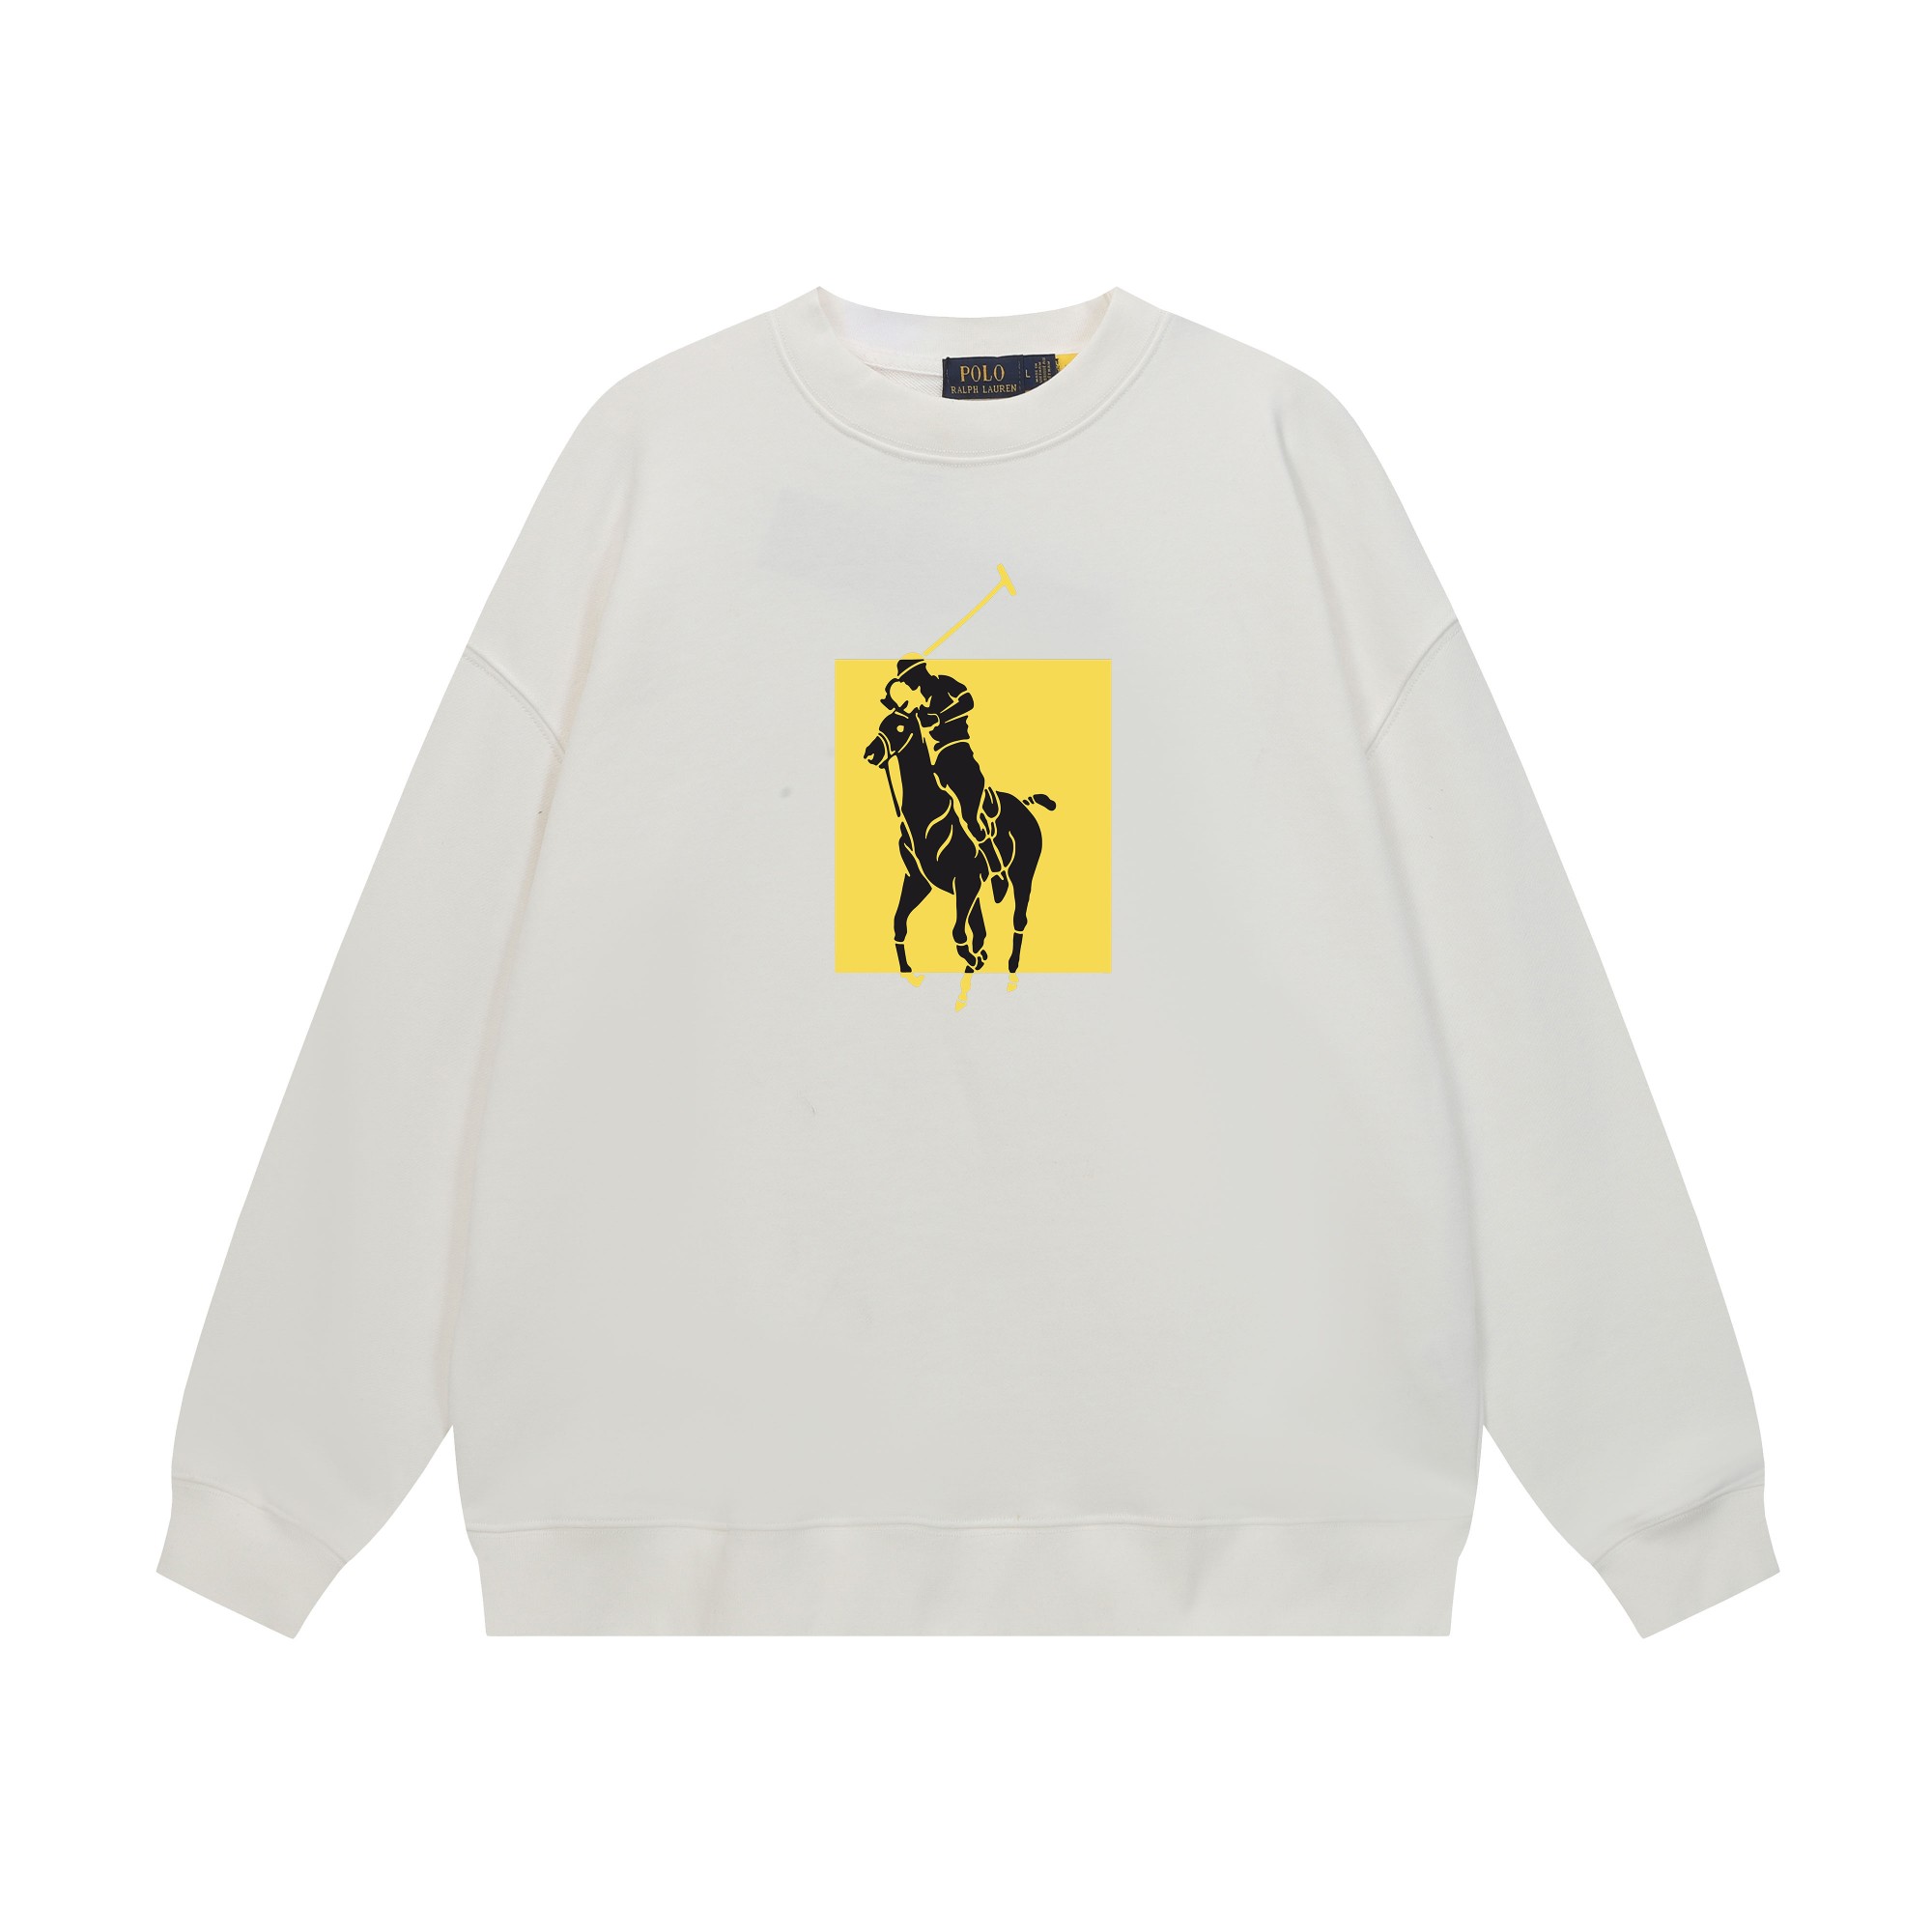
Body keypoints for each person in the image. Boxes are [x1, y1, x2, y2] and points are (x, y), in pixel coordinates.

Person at [890, 656, 1009, 897]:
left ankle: (997, 869)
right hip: (938, 760)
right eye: (904, 680)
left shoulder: (945, 683)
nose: (908, 683)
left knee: (969, 817)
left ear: (919, 671)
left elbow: (968, 701)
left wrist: (938, 718)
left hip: (959, 754)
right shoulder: (919, 702)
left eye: (908, 678)